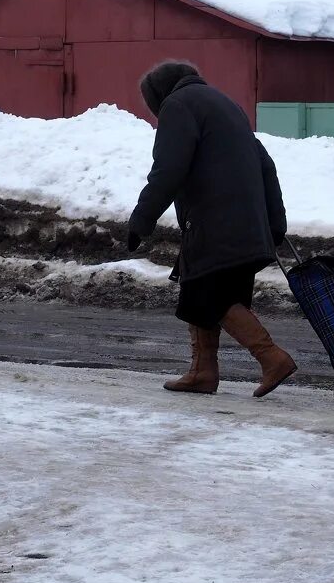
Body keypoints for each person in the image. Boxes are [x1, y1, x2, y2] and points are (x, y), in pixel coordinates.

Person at [127, 61, 297, 398]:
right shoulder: (225, 104)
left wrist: (141, 219)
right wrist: (274, 223)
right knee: (206, 292)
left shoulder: (178, 106)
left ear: (159, 96)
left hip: (214, 224)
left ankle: (272, 358)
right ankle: (203, 372)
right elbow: (265, 165)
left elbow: (168, 170)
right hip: (247, 225)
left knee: (207, 296)